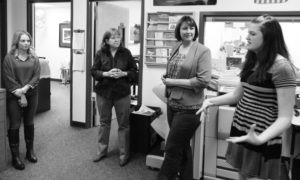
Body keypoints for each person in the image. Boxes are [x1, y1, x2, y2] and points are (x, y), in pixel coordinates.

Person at [196, 14, 296, 180]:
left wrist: (259, 139)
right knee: (243, 175)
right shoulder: (252, 61)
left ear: (269, 38)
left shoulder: (281, 67)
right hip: (242, 129)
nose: (247, 37)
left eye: (253, 34)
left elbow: (285, 118)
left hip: (260, 135)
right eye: (248, 32)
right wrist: (210, 100)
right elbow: (237, 95)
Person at [157, 16, 212, 180]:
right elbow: (175, 69)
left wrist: (173, 81)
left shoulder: (202, 51)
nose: (189, 31)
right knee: (182, 147)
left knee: (172, 148)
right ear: (178, 31)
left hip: (189, 108)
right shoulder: (176, 47)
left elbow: (203, 80)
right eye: (185, 28)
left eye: (191, 28)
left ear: (195, 30)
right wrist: (167, 75)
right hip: (172, 103)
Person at [91, 28, 138, 167]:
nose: (117, 39)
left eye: (118, 37)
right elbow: (93, 71)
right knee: (104, 122)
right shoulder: (100, 53)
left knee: (123, 124)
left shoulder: (126, 53)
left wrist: (123, 74)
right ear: (106, 40)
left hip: (122, 93)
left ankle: (124, 154)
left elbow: (134, 72)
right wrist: (106, 74)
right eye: (113, 37)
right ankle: (101, 151)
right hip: (104, 93)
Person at [2, 30, 40, 170]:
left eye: (28, 41)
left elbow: (36, 76)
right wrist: (21, 94)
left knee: (29, 122)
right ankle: (15, 157)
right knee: (15, 124)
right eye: (23, 41)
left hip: (31, 93)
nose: (26, 43)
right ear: (17, 42)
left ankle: (30, 152)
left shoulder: (33, 57)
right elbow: (8, 78)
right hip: (14, 94)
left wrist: (25, 90)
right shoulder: (9, 58)